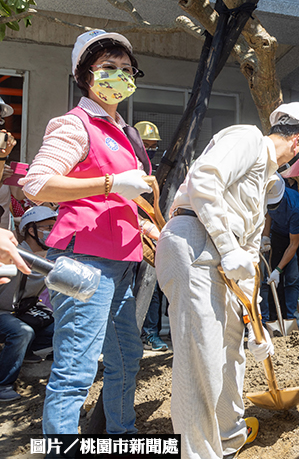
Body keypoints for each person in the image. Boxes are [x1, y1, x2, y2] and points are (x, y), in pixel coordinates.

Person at [155, 102, 299, 459]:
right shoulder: (248, 138)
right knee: (200, 357)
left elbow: (248, 255)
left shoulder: (265, 179)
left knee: (232, 351)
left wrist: (255, 321)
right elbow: (204, 178)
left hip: (222, 254)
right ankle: (199, 453)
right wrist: (225, 243)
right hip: (195, 240)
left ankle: (230, 438)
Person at [20, 29, 154, 435]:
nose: (119, 76)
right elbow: (37, 184)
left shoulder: (125, 134)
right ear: (85, 75)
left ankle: (121, 434)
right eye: (108, 68)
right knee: (75, 369)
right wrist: (112, 185)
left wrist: (144, 222)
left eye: (126, 69)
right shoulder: (74, 125)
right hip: (85, 262)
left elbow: (122, 200)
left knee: (128, 359)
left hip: (123, 263)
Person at [0, 207, 57, 402]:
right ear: (31, 230)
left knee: (61, 327)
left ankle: (25, 351)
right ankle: (3, 384)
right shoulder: (12, 252)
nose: (53, 230)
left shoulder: (50, 257)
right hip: (3, 312)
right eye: (48, 226)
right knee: (22, 332)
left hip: (24, 310)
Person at [262, 175, 299, 332]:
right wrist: (266, 236)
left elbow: (294, 245)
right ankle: (276, 320)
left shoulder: (294, 206)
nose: (274, 207)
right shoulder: (268, 196)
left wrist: (278, 270)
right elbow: (268, 214)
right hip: (279, 233)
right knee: (273, 280)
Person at [133, 121, 169, 351]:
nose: (151, 151)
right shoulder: (130, 169)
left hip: (153, 234)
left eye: (154, 147)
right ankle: (144, 333)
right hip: (130, 235)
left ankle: (151, 333)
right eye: (147, 146)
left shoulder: (159, 174)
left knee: (155, 286)